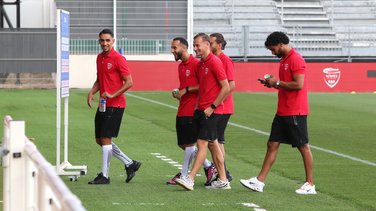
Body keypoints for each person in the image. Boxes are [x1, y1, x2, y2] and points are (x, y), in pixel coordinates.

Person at [240, 31, 316, 194]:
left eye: (273, 49)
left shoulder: (296, 59)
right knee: (272, 144)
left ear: (281, 44)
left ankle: (310, 184)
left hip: (295, 111)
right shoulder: (284, 60)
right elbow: (286, 84)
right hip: (283, 110)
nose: (272, 52)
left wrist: (278, 82)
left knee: (303, 146)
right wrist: (273, 84)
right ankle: (259, 181)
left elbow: (298, 84)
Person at [176, 33, 230, 190]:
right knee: (213, 144)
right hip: (201, 110)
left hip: (212, 111)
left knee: (201, 143)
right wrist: (197, 107)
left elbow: (226, 86)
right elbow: (202, 88)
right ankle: (223, 179)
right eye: (194, 45)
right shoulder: (200, 65)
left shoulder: (215, 62)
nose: (195, 48)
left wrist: (212, 107)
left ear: (207, 44)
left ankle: (190, 178)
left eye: (197, 45)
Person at [87, 28, 141, 184]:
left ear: (113, 41)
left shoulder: (118, 58)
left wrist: (113, 94)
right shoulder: (99, 58)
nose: (104, 43)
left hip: (115, 104)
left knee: (105, 139)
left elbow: (129, 82)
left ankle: (104, 176)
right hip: (104, 105)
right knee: (100, 139)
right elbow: (99, 79)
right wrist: (92, 92)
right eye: (102, 40)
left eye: (107, 40)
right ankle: (130, 163)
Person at [167, 37, 217, 186]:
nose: (172, 51)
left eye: (175, 48)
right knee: (183, 143)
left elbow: (203, 85)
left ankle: (184, 175)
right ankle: (209, 166)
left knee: (189, 144)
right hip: (182, 108)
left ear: (184, 48)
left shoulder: (196, 64)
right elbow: (186, 86)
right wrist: (179, 92)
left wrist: (186, 90)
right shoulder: (181, 66)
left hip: (192, 109)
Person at [209, 33, 235, 182]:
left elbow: (231, 85)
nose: (209, 45)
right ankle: (222, 171)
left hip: (223, 107)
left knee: (216, 140)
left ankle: (223, 172)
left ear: (219, 45)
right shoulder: (214, 60)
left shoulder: (225, 60)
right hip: (219, 105)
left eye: (211, 43)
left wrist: (217, 102)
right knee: (218, 140)